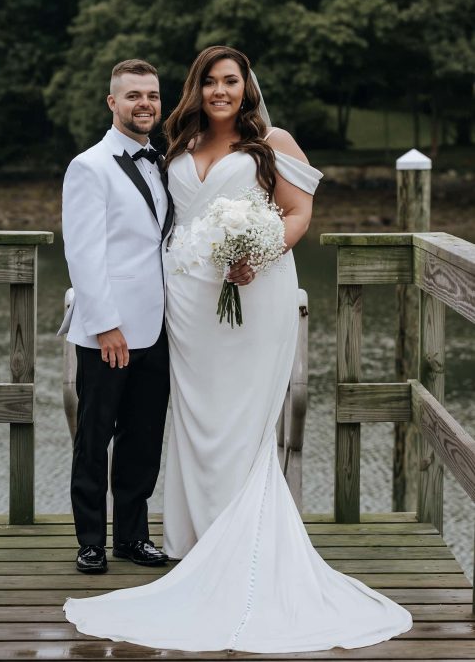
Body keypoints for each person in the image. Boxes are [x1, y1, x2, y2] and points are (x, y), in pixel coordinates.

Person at [64, 47, 412, 651]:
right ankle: (188, 542)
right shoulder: (175, 143)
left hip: (249, 297)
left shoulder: (272, 140)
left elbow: (299, 211)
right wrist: (107, 317)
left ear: (246, 88)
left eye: (231, 82)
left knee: (237, 421)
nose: (220, 91)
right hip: (185, 309)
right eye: (209, 82)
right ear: (194, 89)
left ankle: (237, 543)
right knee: (192, 420)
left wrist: (262, 252)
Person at [58, 59, 174, 574]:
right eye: (133, 95)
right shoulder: (89, 166)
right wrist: (105, 323)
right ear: (112, 103)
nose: (144, 103)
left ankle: (132, 536)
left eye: (151, 94)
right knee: (95, 434)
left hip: (159, 325)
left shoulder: (164, 161)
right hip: (108, 329)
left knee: (143, 435)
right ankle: (89, 541)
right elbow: (83, 254)